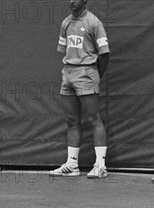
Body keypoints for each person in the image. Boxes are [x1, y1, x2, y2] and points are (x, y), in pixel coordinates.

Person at [50, 0, 110, 178]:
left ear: (84, 0)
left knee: (94, 119)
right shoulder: (66, 23)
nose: (71, 1)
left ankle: (101, 166)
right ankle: (72, 165)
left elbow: (104, 53)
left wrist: (95, 73)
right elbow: (66, 50)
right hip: (68, 74)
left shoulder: (94, 23)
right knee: (71, 121)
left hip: (87, 73)